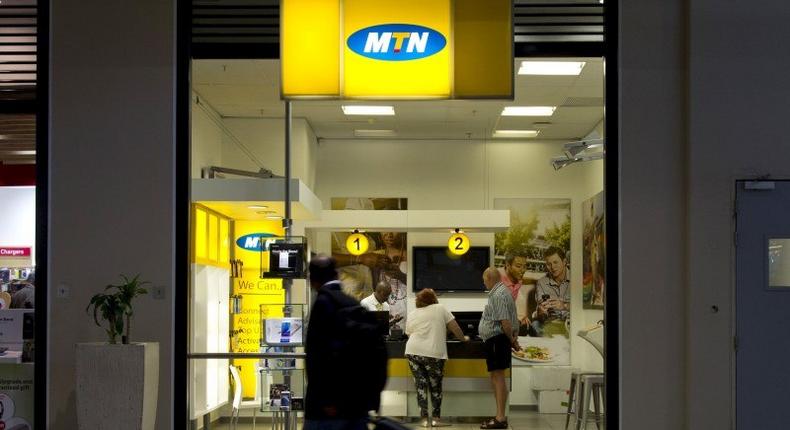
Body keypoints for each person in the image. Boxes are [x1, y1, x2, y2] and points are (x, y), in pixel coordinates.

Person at [304, 255, 387, 430]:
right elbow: (379, 354)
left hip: (327, 410)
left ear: (312, 280)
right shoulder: (354, 305)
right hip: (357, 406)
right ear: (336, 276)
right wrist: (371, 399)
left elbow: (317, 358)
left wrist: (326, 400)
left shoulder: (322, 304)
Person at [405, 289, 469, 427]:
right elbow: (455, 328)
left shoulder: (412, 313)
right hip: (433, 353)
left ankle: (423, 420)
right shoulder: (440, 308)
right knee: (435, 387)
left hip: (412, 351)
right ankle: (436, 419)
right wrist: (463, 339)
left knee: (420, 386)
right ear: (433, 299)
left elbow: (410, 334)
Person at [478, 268, 520, 429]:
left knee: (498, 377)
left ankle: (500, 418)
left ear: (490, 278)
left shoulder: (497, 295)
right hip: (499, 339)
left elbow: (505, 322)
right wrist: (512, 341)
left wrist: (511, 340)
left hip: (497, 339)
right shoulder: (503, 291)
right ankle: (499, 416)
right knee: (497, 377)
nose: (483, 282)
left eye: (484, 279)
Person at [532, 247, 571, 336]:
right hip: (551, 323)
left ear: (564, 262)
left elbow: (583, 308)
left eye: (555, 262)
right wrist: (540, 311)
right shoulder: (541, 283)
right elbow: (541, 314)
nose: (553, 267)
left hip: (572, 323)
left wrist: (564, 305)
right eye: (549, 264)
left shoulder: (577, 279)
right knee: (535, 325)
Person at [498, 253, 529, 326]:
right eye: (518, 266)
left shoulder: (517, 279)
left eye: (524, 266)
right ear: (508, 265)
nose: (523, 270)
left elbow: (524, 280)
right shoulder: (497, 281)